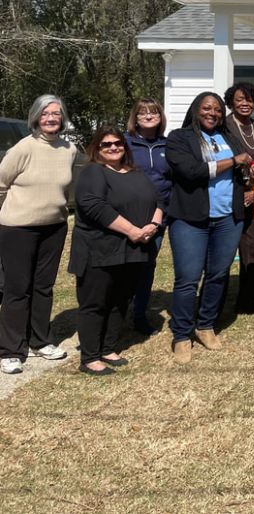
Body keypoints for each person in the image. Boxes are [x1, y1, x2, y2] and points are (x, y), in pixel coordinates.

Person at [166, 91, 254, 365]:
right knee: (188, 279)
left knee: (218, 274)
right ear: (196, 109)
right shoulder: (179, 138)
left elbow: (239, 171)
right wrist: (236, 161)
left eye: (217, 109)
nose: (213, 113)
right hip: (190, 218)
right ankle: (181, 334)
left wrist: (250, 175)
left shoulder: (227, 138)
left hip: (228, 218)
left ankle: (205, 325)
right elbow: (192, 171)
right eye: (207, 108)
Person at [70, 127, 162, 375]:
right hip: (100, 248)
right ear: (96, 148)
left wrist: (153, 224)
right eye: (106, 144)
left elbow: (159, 200)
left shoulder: (135, 172)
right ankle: (89, 357)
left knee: (121, 299)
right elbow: (94, 206)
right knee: (95, 302)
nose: (113, 147)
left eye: (118, 143)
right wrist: (132, 230)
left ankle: (108, 348)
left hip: (133, 248)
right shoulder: (93, 171)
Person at [0, 95, 77, 375]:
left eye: (56, 113)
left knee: (43, 287)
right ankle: (10, 350)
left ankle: (40, 341)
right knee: (17, 289)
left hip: (54, 227)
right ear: (36, 117)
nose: (51, 118)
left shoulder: (69, 149)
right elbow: (1, 183)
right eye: (45, 114)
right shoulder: (24, 148)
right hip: (18, 228)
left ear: (62, 117)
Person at [224, 81, 254, 314]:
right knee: (223, 250)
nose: (245, 104)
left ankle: (247, 299)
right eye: (240, 99)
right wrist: (242, 188)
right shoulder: (223, 127)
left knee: (251, 248)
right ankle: (215, 301)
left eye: (250, 99)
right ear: (231, 102)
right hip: (228, 194)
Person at [125, 97, 172, 336]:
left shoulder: (168, 144)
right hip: (129, 215)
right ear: (135, 117)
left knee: (147, 266)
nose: (148, 116)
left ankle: (139, 315)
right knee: (124, 266)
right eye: (143, 113)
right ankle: (117, 312)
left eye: (153, 112)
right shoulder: (124, 142)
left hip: (159, 216)